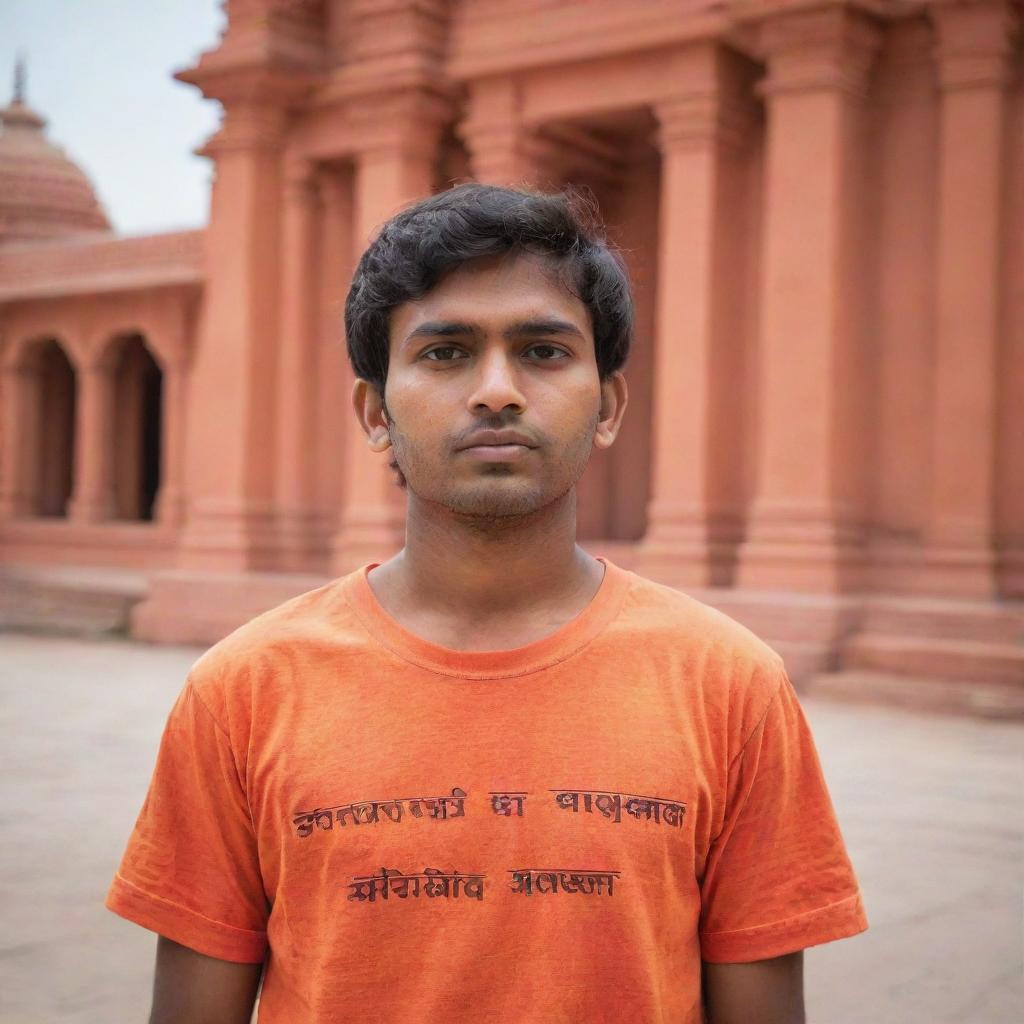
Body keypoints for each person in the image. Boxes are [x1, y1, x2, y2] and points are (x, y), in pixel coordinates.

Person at [107, 183, 867, 1024]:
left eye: (544, 351)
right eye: (445, 352)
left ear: (608, 405)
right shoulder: (244, 690)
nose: (497, 390)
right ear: (375, 413)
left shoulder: (728, 686)